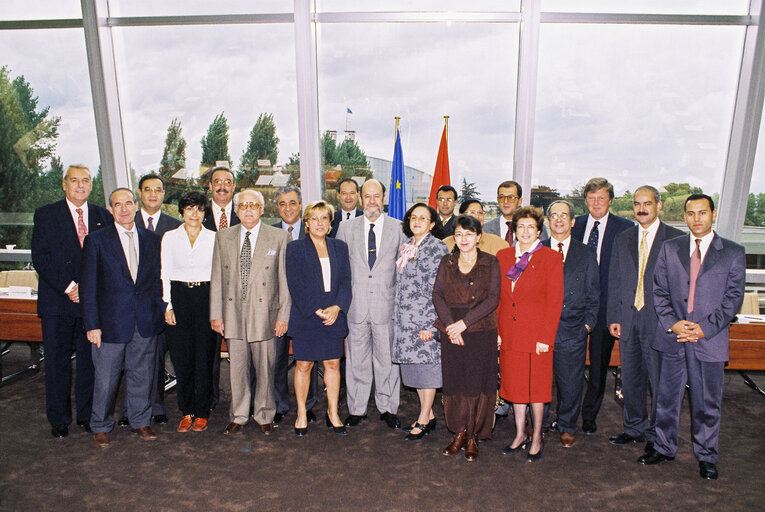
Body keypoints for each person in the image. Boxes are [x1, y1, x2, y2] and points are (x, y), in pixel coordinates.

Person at [641, 194, 745, 480]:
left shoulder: (733, 252)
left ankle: (707, 455)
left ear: (713, 214)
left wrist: (704, 328)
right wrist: (673, 324)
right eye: (690, 213)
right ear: (684, 216)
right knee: (665, 397)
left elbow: (732, 299)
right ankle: (663, 447)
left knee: (707, 402)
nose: (696, 218)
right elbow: (658, 291)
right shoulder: (669, 248)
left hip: (709, 339)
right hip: (672, 336)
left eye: (702, 212)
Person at [80, 188, 165, 447]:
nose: (124, 209)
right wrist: (92, 325)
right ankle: (101, 425)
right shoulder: (96, 241)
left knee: (142, 375)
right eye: (118, 205)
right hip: (109, 325)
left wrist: (159, 313)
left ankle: (140, 420)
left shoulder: (152, 240)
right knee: (106, 379)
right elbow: (89, 287)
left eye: (129, 203)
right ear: (111, 210)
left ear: (136, 205)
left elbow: (156, 283)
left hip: (144, 322)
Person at [31, 164, 111, 439]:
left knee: (90, 363)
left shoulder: (102, 215)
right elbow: (41, 257)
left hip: (90, 305)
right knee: (57, 363)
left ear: (91, 185)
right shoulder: (46, 215)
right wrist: (69, 286)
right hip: (57, 302)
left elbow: (107, 259)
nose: (80, 185)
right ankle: (59, 420)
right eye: (74, 180)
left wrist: (87, 289)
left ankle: (87, 416)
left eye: (85, 181)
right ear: (64, 184)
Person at [607, 186, 683, 453]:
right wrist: (614, 316)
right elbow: (615, 279)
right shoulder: (623, 238)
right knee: (631, 379)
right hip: (628, 320)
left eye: (647, 203)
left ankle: (657, 436)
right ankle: (634, 428)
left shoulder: (676, 240)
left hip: (661, 323)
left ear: (658, 205)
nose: (642, 208)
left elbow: (682, 287)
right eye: (637, 203)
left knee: (661, 383)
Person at [209, 189, 290, 437]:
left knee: (266, 368)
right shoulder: (223, 236)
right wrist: (216, 314)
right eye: (243, 205)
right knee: (238, 369)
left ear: (262, 209)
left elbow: (284, 281)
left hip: (265, 314)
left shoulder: (278, 237)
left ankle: (264, 413)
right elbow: (217, 278)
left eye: (253, 205)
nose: (248, 209)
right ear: (235, 210)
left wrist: (283, 316)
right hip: (233, 313)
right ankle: (239, 415)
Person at [336, 179, 407, 429]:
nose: (372, 201)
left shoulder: (399, 228)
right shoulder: (345, 229)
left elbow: (403, 271)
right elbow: (340, 270)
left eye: (377, 196)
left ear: (384, 198)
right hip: (356, 307)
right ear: (360, 198)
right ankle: (357, 409)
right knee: (357, 360)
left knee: (387, 361)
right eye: (367, 196)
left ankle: (388, 407)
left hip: (386, 308)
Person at [497, 206, 563, 462]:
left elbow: (554, 302)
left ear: (538, 231)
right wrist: (499, 331)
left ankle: (537, 436)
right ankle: (519, 434)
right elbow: (499, 299)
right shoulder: (502, 256)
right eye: (520, 227)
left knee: (536, 389)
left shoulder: (550, 257)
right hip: (510, 334)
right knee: (515, 388)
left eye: (530, 227)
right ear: (514, 230)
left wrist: (546, 338)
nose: (525, 232)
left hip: (537, 338)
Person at [433, 215, 501, 462]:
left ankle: (473, 436)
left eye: (469, 234)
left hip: (480, 330)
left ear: (478, 237)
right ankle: (459, 431)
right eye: (459, 234)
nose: (464, 239)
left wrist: (464, 323)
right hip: (451, 330)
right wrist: (452, 326)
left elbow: (493, 299)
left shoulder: (491, 262)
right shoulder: (446, 261)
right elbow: (437, 295)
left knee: (477, 383)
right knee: (455, 382)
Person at [116, 174, 181, 428]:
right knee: (132, 361)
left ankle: (156, 405)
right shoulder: (126, 221)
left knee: (155, 359)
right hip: (131, 307)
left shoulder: (175, 225)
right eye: (147, 190)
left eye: (158, 190)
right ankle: (129, 409)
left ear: (164, 194)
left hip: (163, 304)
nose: (153, 194)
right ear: (139, 195)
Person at [571, 177, 633, 434]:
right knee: (569, 366)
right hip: (572, 308)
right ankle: (566, 416)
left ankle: (589, 417)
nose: (596, 203)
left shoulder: (625, 228)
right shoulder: (575, 225)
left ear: (610, 200)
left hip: (606, 309)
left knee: (597, 368)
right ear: (585, 200)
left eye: (601, 198)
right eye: (591, 198)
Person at [286, 201, 352, 436]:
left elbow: (346, 281)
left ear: (330, 223)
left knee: (333, 364)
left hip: (334, 316)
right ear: (306, 223)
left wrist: (337, 307)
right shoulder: (294, 248)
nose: (320, 223)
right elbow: (295, 283)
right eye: (314, 219)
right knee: (304, 365)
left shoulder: (340, 247)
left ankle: (333, 413)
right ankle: (302, 412)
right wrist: (315, 308)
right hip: (306, 315)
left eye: (324, 218)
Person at [543, 200, 599, 447]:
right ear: (547, 222)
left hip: (573, 329)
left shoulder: (586, 253)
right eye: (553, 216)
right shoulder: (535, 249)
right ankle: (541, 424)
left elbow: (594, 294)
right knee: (541, 380)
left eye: (563, 215)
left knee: (571, 383)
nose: (558, 220)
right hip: (540, 330)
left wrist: (587, 325)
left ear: (573, 221)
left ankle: (567, 426)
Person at [391, 203, 449, 441]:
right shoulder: (407, 247)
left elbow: (441, 289)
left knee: (428, 372)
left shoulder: (437, 248)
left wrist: (431, 325)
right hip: (406, 322)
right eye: (414, 217)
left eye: (423, 218)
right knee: (415, 373)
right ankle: (431, 414)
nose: (417, 221)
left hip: (424, 322)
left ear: (432, 224)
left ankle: (423, 418)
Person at [161, 191, 217, 433]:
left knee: (204, 357)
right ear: (182, 211)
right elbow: (165, 273)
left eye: (200, 209)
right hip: (179, 298)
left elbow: (220, 276)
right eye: (190, 208)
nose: (195, 213)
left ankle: (202, 411)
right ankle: (187, 411)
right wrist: (168, 305)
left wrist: (218, 310)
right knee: (182, 358)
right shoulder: (170, 237)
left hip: (206, 297)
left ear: (205, 213)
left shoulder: (215, 238)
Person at [272, 185, 319, 426]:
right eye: (282, 203)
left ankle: (308, 406)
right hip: (278, 308)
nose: (287, 208)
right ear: (276, 207)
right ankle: (280, 405)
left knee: (306, 359)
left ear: (300, 206)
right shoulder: (268, 232)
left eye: (292, 203)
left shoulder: (314, 232)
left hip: (306, 309)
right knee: (277, 360)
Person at [202, 166, 240, 410]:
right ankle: (210, 402)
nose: (222, 186)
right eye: (217, 181)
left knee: (242, 355)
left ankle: (243, 402)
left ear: (234, 187)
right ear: (210, 187)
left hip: (239, 298)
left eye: (227, 181)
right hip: (206, 297)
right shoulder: (198, 216)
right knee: (208, 354)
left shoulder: (245, 216)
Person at [485, 180, 549, 244]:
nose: (505, 201)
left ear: (520, 201)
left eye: (511, 197)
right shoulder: (486, 228)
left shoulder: (537, 227)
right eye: (501, 197)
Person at [442, 199, 509, 255]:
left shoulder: (499, 244)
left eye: (480, 213)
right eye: (472, 212)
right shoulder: (445, 244)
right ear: (461, 216)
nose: (477, 216)